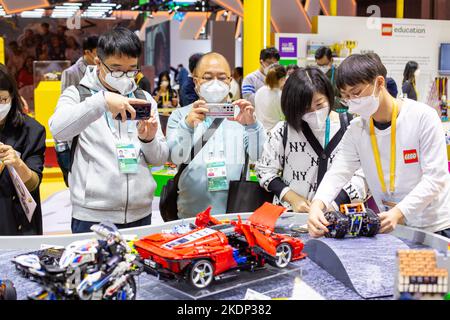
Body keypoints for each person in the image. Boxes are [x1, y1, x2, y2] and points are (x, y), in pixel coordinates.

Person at [307, 54, 450, 238]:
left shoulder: (423, 117)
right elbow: (338, 172)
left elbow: (435, 178)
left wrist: (399, 212)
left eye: (356, 93)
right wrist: (318, 205)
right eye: (346, 98)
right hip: (393, 227)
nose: (352, 103)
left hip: (435, 227)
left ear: (379, 82)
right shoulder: (357, 129)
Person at [49, 27, 169, 233]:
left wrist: (148, 140)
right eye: (116, 69)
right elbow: (58, 130)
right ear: (98, 63)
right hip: (92, 215)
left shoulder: (144, 98)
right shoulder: (78, 95)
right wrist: (101, 101)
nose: (124, 76)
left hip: (140, 213)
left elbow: (159, 159)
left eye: (131, 69)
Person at [166, 52, 265, 218]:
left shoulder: (241, 116)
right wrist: (187, 125)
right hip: (190, 214)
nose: (215, 83)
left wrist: (252, 126)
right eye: (208, 77)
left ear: (229, 81)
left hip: (235, 215)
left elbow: (259, 155)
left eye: (222, 77)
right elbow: (175, 158)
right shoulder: (180, 116)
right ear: (196, 81)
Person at [256, 67, 367, 213]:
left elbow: (365, 174)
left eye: (319, 104)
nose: (314, 112)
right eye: (306, 109)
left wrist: (333, 202)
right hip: (292, 218)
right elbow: (265, 171)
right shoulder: (284, 131)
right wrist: (292, 198)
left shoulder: (352, 128)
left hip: (340, 218)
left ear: (329, 96)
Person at [0, 64, 46, 235]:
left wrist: (18, 164)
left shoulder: (31, 130)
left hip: (16, 222)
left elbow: (33, 183)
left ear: (12, 96)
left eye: (2, 99)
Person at [254, 64, 286, 131]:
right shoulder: (280, 95)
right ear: (282, 79)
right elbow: (284, 117)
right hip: (274, 133)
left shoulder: (259, 91)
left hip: (259, 131)